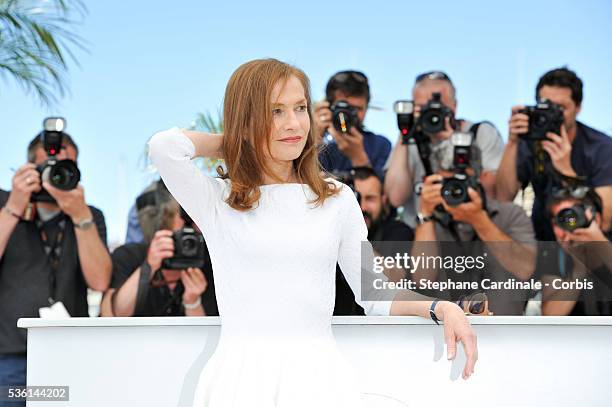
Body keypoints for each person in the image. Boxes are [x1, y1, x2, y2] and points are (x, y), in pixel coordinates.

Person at [148, 58, 477, 406]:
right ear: (246, 119)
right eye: (275, 111)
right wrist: (239, 139)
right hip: (239, 382)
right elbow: (164, 147)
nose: (293, 123)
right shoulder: (218, 199)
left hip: (319, 381)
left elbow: (375, 294)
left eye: (300, 107)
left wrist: (442, 308)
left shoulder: (337, 199)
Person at [0, 132, 111, 400]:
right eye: (49, 168)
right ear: (30, 169)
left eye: (67, 166)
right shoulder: (5, 203)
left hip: (68, 352)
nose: (56, 175)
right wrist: (14, 207)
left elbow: (100, 282)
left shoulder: (89, 215)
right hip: (8, 356)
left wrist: (80, 216)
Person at [410, 139, 536, 315]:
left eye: (462, 180)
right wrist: (425, 214)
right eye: (447, 181)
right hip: (445, 334)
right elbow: (422, 279)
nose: (455, 189)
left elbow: (525, 269)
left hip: (505, 335)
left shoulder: (510, 215)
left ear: (480, 177)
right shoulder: (430, 223)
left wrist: (479, 220)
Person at [496, 67, 612, 240]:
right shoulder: (530, 143)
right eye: (547, 105)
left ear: (578, 107)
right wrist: (512, 142)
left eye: (560, 108)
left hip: (587, 245)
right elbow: (503, 197)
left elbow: (605, 222)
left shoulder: (601, 148)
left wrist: (567, 172)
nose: (552, 114)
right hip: (544, 241)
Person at [384, 71, 505, 228]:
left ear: (454, 106)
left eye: (439, 107)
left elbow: (492, 195)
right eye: (423, 107)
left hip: (470, 236)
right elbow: (395, 197)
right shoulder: (409, 143)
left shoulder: (480, 134)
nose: (432, 114)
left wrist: (453, 141)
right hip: (422, 236)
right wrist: (405, 132)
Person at [100, 189, 218, 317]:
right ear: (164, 226)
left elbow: (206, 334)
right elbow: (116, 314)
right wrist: (149, 266)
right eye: (185, 218)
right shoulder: (130, 256)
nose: (188, 235)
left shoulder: (210, 264)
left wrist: (192, 301)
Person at [334, 167, 414, 315]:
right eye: (355, 199)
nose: (362, 207)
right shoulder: (328, 229)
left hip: (379, 329)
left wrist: (350, 235)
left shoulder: (396, 231)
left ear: (384, 200)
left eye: (370, 198)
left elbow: (395, 277)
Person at [541, 188, 612, 316]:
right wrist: (578, 271)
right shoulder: (554, 257)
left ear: (596, 219)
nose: (569, 225)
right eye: (561, 220)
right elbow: (550, 315)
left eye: (574, 217)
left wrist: (599, 242)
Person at [314, 70, 391, 175]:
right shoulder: (317, 141)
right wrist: (312, 139)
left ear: (366, 108)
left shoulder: (380, 145)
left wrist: (358, 157)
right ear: (328, 107)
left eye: (357, 109)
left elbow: (378, 191)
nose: (349, 114)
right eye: (344, 107)